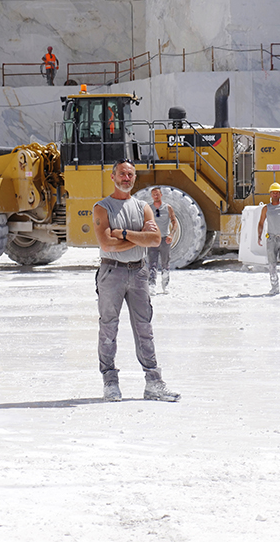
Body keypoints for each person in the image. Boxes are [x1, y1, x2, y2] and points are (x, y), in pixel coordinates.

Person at [93, 159, 181, 403]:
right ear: (113, 177)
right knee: (108, 327)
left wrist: (123, 234)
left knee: (145, 327)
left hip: (139, 272)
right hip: (112, 273)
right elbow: (106, 243)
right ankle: (110, 382)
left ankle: (154, 382)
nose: (126, 178)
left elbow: (155, 240)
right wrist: (142, 238)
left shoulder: (143, 207)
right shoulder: (102, 208)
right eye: (122, 174)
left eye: (130, 174)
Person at [147, 187, 177, 295]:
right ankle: (152, 285)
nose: (156, 196)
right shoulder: (148, 208)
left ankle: (165, 285)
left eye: (157, 194)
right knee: (152, 263)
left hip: (165, 239)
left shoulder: (168, 208)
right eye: (153, 194)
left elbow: (174, 222)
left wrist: (171, 234)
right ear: (151, 196)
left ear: (161, 195)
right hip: (153, 239)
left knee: (165, 263)